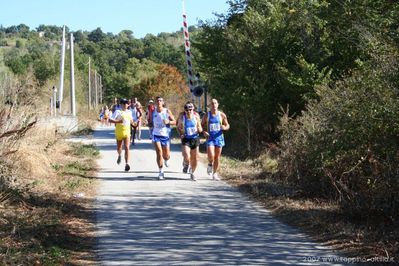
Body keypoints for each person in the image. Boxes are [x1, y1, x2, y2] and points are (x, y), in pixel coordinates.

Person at [201, 98, 230, 180]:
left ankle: (215, 174)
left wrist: (224, 127)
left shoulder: (222, 115)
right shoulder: (207, 115)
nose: (214, 105)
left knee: (217, 157)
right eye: (212, 103)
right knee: (211, 156)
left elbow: (228, 125)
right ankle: (210, 164)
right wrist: (204, 132)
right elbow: (201, 125)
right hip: (210, 138)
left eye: (215, 103)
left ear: (218, 104)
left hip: (219, 138)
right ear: (210, 106)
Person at [177, 101, 202, 181]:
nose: (189, 111)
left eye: (190, 109)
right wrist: (180, 133)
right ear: (184, 110)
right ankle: (186, 163)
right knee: (187, 156)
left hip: (195, 138)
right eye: (187, 109)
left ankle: (192, 173)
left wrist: (200, 130)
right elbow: (178, 127)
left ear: (193, 109)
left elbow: (200, 128)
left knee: (195, 158)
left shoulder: (196, 116)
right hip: (186, 138)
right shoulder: (182, 117)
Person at [152, 96, 176, 180]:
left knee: (166, 154)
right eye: (157, 100)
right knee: (159, 152)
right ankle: (161, 171)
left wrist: (168, 122)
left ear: (163, 103)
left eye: (160, 100)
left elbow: (174, 121)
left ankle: (167, 159)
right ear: (155, 102)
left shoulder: (167, 111)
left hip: (165, 135)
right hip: (156, 134)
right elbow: (150, 121)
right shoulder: (153, 111)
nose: (159, 102)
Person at [108, 98, 135, 172]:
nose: (125, 104)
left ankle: (127, 164)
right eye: (123, 103)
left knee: (127, 147)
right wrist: (118, 121)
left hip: (127, 132)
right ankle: (119, 155)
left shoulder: (129, 112)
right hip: (119, 132)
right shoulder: (117, 111)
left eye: (126, 103)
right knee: (119, 148)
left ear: (128, 104)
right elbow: (109, 120)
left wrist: (134, 123)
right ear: (121, 104)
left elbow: (131, 121)